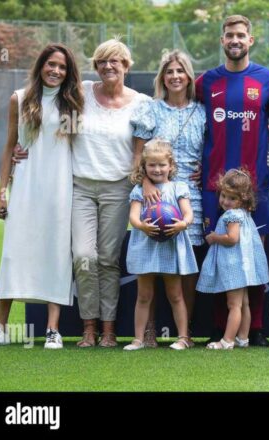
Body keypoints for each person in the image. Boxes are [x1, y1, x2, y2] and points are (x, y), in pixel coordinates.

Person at [0, 44, 83, 349]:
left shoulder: (72, 103)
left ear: (68, 72)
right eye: (51, 64)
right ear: (40, 66)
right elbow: (10, 147)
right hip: (24, 187)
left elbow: (74, 147)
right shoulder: (20, 98)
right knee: (13, 253)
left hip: (60, 190)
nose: (56, 71)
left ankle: (53, 330)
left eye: (62, 67)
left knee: (56, 255)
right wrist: (1, 192)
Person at [195, 15, 269, 347]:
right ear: (222, 40)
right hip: (213, 188)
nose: (235, 40)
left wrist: (261, 144)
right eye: (230, 35)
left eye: (241, 35)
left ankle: (255, 328)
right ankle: (221, 327)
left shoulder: (268, 79)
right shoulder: (204, 82)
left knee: (254, 257)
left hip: (255, 187)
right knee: (218, 253)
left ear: (251, 40)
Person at [70, 39, 150, 347]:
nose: (108, 66)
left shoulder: (141, 102)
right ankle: (88, 326)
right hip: (81, 186)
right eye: (102, 62)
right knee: (84, 256)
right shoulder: (82, 92)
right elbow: (48, 111)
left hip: (119, 188)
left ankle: (108, 329)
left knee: (108, 259)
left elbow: (149, 148)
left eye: (115, 61)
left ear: (127, 66)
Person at [130, 50, 205, 347]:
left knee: (184, 266)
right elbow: (138, 154)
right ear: (162, 77)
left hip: (190, 195)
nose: (175, 76)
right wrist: (146, 182)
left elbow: (212, 149)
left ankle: (183, 335)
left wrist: (206, 170)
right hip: (154, 193)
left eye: (180, 71)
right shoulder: (151, 109)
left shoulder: (201, 111)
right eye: (169, 71)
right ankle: (147, 333)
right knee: (151, 262)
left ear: (189, 76)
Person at [124, 140, 197, 350]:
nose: (157, 169)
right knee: (144, 295)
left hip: (170, 247)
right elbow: (134, 217)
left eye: (162, 165)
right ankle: (138, 339)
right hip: (146, 246)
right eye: (152, 165)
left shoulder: (178, 187)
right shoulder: (140, 190)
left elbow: (188, 213)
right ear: (144, 167)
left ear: (171, 166)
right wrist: (142, 227)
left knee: (175, 294)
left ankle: (183, 337)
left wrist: (183, 223)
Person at [197, 169, 269, 350]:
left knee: (234, 304)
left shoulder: (231, 215)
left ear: (242, 199)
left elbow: (232, 239)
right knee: (243, 303)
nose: (225, 202)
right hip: (243, 265)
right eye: (223, 196)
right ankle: (243, 338)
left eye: (232, 198)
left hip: (233, 265)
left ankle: (227, 340)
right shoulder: (244, 214)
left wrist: (214, 237)